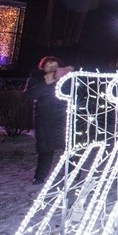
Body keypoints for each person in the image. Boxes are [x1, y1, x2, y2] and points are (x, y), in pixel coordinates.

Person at [24, 56, 74, 184]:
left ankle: (73, 174)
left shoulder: (67, 80)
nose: (52, 67)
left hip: (64, 119)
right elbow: (27, 96)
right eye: (48, 65)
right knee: (45, 150)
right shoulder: (36, 80)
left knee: (70, 149)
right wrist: (45, 84)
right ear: (42, 67)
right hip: (45, 121)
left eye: (55, 65)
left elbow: (77, 94)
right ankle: (40, 177)